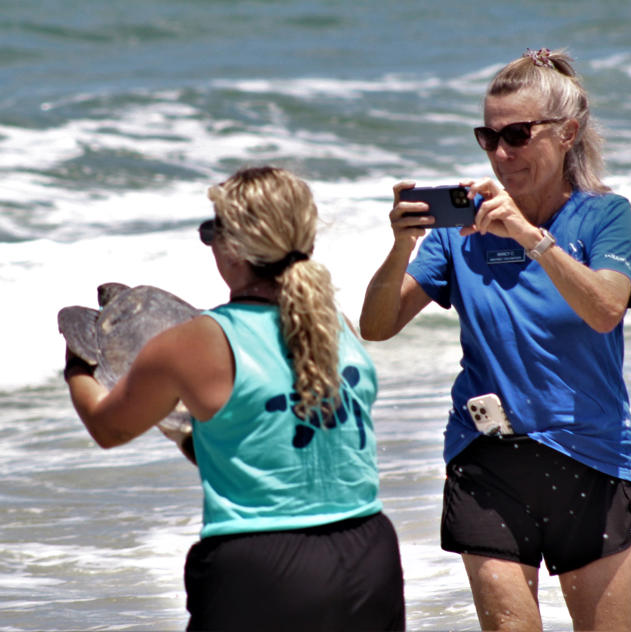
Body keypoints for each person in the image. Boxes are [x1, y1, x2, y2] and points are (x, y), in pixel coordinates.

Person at [360, 48, 631, 632]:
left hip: (591, 454)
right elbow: (376, 326)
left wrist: (528, 235)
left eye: (517, 136)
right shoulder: (460, 232)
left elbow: (604, 309)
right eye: (487, 136)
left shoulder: (604, 216)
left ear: (567, 132)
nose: (500, 154)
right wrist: (401, 246)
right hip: (486, 460)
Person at [63, 166, 405, 631]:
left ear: (234, 249)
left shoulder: (197, 342)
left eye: (212, 231)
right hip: (368, 554)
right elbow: (286, 443)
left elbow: (108, 428)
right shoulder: (332, 326)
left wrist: (79, 360)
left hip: (259, 565)